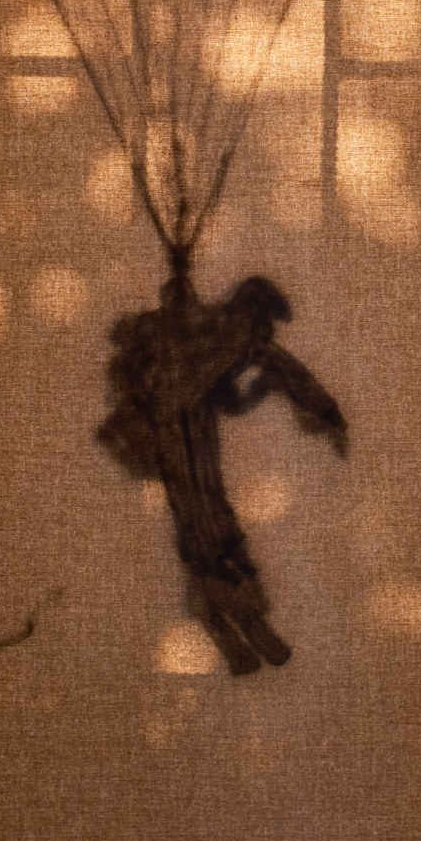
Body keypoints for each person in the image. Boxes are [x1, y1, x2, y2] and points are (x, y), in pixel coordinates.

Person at [98, 262, 349, 676]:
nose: (266, 332)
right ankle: (227, 612)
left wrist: (294, 400)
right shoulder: (220, 333)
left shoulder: (228, 338)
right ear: (253, 312)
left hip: (191, 429)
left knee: (207, 519)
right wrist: (318, 408)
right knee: (202, 522)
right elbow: (270, 369)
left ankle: (235, 612)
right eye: (265, 321)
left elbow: (248, 384)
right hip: (173, 433)